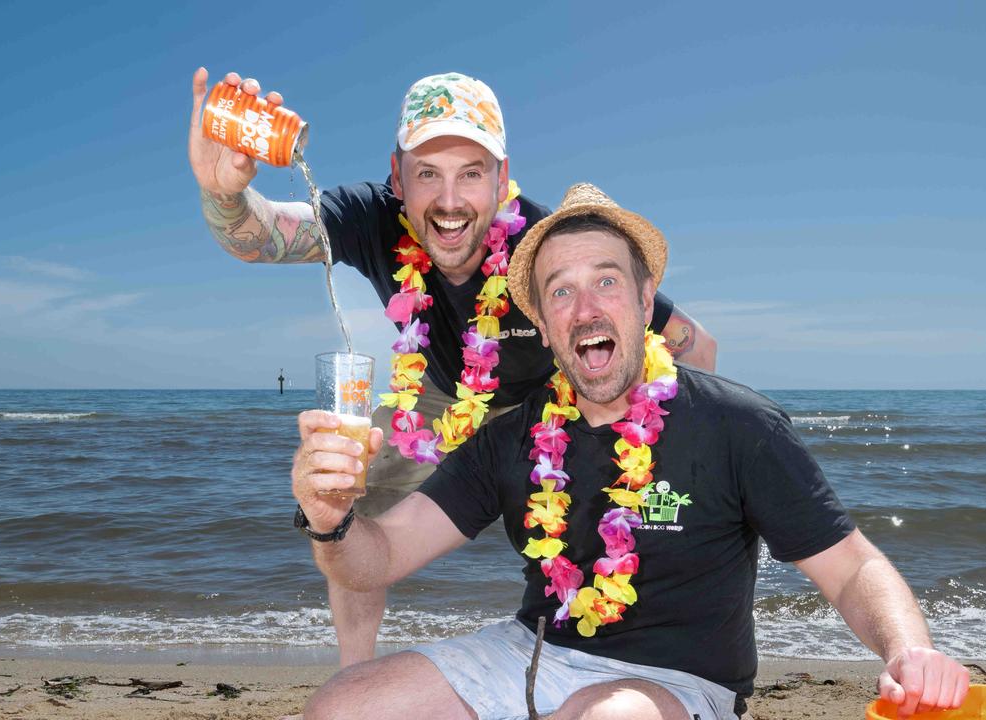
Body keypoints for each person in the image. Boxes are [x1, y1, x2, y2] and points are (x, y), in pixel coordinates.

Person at [290, 184, 970, 720]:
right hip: (534, 655)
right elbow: (376, 557)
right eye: (561, 291)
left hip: (678, 687)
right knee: (340, 707)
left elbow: (852, 568)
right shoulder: (510, 437)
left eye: (606, 281)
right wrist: (329, 516)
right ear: (545, 326)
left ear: (647, 301)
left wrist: (911, 652)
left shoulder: (738, 424)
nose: (585, 307)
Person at [187, 68, 718, 665]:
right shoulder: (371, 218)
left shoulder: (549, 246)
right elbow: (261, 238)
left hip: (558, 399)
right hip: (437, 396)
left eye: (470, 174)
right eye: (427, 174)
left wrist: (684, 445)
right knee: (347, 500)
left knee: (613, 533)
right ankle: (354, 677)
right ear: (397, 178)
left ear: (502, 179)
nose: (448, 201)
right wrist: (223, 193)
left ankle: (631, 666)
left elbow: (694, 345)